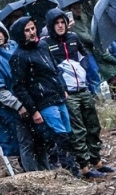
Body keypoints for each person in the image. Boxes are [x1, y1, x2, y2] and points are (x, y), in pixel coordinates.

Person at [42, 8, 116, 178]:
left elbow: (84, 55)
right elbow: (50, 69)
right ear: (51, 25)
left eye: (62, 22)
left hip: (83, 88)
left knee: (93, 125)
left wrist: (83, 70)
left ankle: (96, 160)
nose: (60, 26)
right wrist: (62, 86)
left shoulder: (73, 37)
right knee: (77, 130)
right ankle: (84, 166)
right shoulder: (46, 44)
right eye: (56, 23)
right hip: (68, 93)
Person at [9, 17, 79, 176]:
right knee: (59, 138)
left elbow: (55, 68)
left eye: (33, 28)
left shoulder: (43, 45)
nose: (31, 32)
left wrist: (63, 88)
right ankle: (67, 173)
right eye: (27, 30)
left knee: (69, 135)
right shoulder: (18, 56)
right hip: (43, 102)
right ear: (20, 33)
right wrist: (33, 110)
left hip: (57, 96)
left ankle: (74, 170)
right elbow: (19, 86)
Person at [0, 18, 40, 172]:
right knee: (25, 143)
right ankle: (33, 175)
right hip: (12, 108)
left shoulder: (15, 46)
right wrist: (19, 105)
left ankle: (46, 170)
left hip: (30, 101)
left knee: (40, 140)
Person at [68, 2, 116, 97]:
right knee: (95, 74)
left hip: (94, 49)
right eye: (75, 8)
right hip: (85, 51)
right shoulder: (73, 24)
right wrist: (98, 40)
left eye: (79, 7)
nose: (78, 10)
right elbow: (84, 37)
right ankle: (100, 97)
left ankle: (112, 95)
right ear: (70, 10)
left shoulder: (83, 17)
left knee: (104, 71)